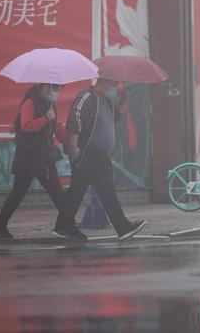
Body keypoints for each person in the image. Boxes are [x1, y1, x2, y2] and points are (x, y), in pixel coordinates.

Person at [0, 83, 87, 241]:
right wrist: (45, 118)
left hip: (43, 158)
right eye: (54, 88)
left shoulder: (50, 105)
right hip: (28, 158)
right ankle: (0, 226)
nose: (56, 92)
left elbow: (54, 129)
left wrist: (72, 143)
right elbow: (26, 126)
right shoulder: (31, 102)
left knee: (57, 193)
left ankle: (68, 226)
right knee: (18, 194)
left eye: (59, 89)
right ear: (44, 87)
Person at [54, 79, 147, 240]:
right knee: (77, 191)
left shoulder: (106, 101)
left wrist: (124, 101)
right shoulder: (86, 97)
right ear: (102, 83)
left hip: (102, 156)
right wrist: (73, 145)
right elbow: (75, 119)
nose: (112, 89)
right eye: (110, 85)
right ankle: (63, 227)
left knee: (108, 192)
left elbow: (115, 118)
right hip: (86, 153)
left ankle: (123, 227)